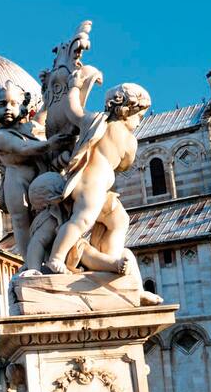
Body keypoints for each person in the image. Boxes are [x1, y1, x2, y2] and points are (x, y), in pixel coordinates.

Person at [44, 83, 151, 274]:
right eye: (140, 116)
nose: (139, 123)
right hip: (90, 184)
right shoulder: (129, 140)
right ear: (128, 110)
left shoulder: (94, 120)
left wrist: (75, 87)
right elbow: (125, 164)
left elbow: (73, 111)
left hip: (99, 189)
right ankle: (56, 258)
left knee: (119, 220)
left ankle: (110, 261)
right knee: (82, 220)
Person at [0, 81, 72, 263]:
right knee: (21, 224)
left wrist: (50, 92)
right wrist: (50, 144)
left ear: (23, 107)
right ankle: (29, 263)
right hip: (17, 185)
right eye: (2, 104)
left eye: (13, 104)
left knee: (49, 220)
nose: (8, 108)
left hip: (39, 182)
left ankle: (49, 257)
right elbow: (25, 148)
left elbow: (42, 117)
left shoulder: (29, 127)